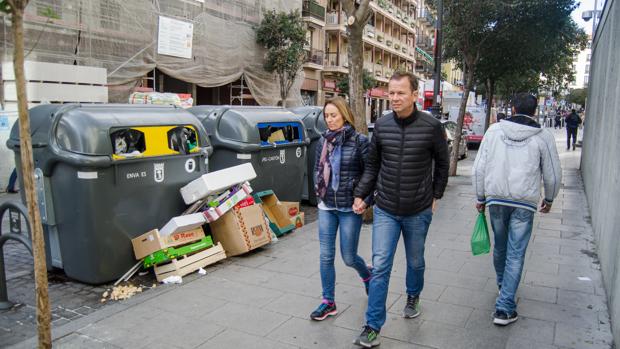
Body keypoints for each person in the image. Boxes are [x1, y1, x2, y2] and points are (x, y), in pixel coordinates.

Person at [351, 71, 449, 347]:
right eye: (391, 93)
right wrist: (361, 195)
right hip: (385, 209)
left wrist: (436, 195)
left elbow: (442, 164)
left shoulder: (431, 127)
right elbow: (373, 165)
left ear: (414, 95)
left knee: (415, 261)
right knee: (381, 266)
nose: (394, 98)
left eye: (400, 93)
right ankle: (372, 326)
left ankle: (413, 295)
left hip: (418, 210)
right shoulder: (381, 126)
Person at [472, 93, 561, 326]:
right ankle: (505, 307)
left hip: (496, 200)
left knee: (500, 247)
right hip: (524, 202)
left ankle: (504, 287)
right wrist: (549, 199)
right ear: (534, 111)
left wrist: (480, 196)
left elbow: (479, 168)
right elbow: (552, 174)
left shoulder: (493, 132)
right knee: (516, 252)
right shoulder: (543, 136)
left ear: (512, 109)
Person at [310, 96, 373, 321]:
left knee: (348, 256)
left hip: (349, 208)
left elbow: (370, 174)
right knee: (326, 256)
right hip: (327, 206)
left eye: (334, 115)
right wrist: (319, 193)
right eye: (326, 115)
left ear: (344, 115)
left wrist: (364, 199)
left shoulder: (360, 141)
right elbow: (318, 171)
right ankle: (329, 302)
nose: (329, 120)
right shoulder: (323, 141)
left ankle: (368, 275)